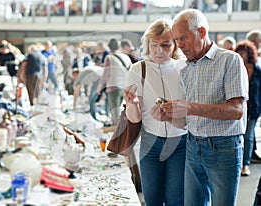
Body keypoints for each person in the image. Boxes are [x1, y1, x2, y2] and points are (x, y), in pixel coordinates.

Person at [151, 9, 248, 205]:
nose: (180, 45)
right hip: (193, 145)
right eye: (177, 40)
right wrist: (168, 116)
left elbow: (237, 111)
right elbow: (187, 121)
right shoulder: (186, 69)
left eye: (183, 38)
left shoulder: (230, 60)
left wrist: (190, 107)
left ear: (202, 32)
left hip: (223, 148)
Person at [124, 19, 187, 205]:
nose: (159, 50)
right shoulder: (138, 69)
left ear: (175, 44)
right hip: (150, 142)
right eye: (154, 45)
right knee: (152, 200)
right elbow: (134, 119)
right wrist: (133, 103)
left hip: (180, 142)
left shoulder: (184, 67)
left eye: (166, 45)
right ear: (148, 44)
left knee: (176, 199)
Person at [235, 40, 261, 176]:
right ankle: (239, 163)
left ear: (249, 53)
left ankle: (245, 164)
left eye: (243, 52)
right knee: (239, 136)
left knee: (249, 137)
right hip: (238, 108)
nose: (241, 55)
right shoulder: (235, 68)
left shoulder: (257, 70)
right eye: (239, 52)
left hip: (253, 109)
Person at [97, 38, 131, 125]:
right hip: (124, 86)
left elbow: (105, 75)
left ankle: (117, 132)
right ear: (118, 46)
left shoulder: (109, 58)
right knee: (121, 110)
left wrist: (100, 87)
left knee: (115, 111)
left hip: (113, 87)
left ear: (108, 47)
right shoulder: (126, 57)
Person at [246, 29, 261, 163]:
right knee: (248, 135)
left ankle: (248, 158)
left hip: (254, 106)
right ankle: (247, 157)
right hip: (244, 106)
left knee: (249, 135)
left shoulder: (257, 68)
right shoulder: (238, 66)